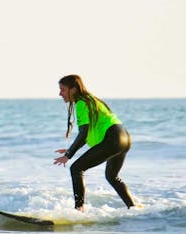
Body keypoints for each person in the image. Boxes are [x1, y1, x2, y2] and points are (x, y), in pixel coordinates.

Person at [53, 74, 136, 211]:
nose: (60, 94)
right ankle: (134, 209)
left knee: (76, 169)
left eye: (62, 90)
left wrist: (69, 154)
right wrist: (71, 149)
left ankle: (79, 210)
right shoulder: (91, 99)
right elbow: (87, 134)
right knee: (112, 177)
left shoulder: (81, 103)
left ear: (73, 89)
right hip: (124, 138)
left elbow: (83, 132)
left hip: (113, 139)